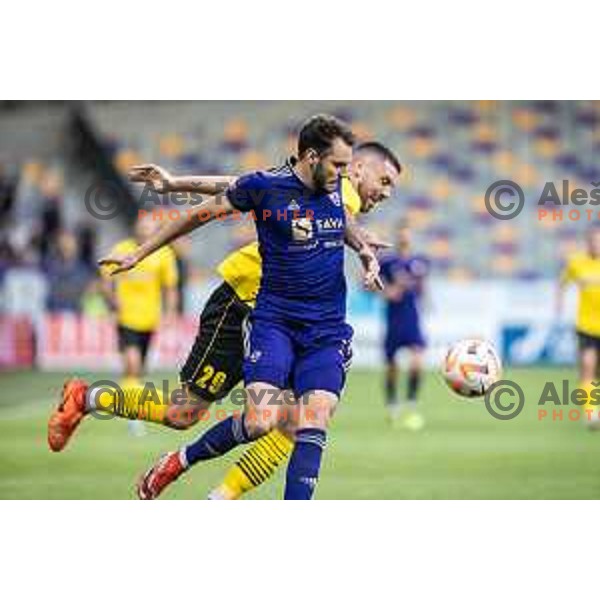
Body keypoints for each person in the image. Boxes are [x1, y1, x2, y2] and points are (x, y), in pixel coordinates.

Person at [46, 116, 394, 500]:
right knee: (185, 413)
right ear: (355, 166)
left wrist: (361, 244)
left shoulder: (332, 186)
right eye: (385, 181)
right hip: (245, 305)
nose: (387, 193)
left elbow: (256, 187)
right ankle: (88, 398)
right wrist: (145, 248)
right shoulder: (332, 183)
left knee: (296, 421)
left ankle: (219, 497)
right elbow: (247, 190)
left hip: (310, 322)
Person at [98, 216, 179, 435]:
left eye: (149, 228)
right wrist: (111, 299)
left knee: (139, 369)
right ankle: (132, 416)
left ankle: (130, 402)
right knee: (132, 363)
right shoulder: (122, 248)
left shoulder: (163, 253)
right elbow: (105, 278)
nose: (145, 231)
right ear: (136, 228)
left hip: (150, 319)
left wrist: (171, 313)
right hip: (126, 318)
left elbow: (170, 287)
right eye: (142, 227)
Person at [379, 222, 428, 429]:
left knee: (417, 361)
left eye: (407, 235)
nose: (404, 239)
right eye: (401, 235)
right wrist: (385, 291)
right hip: (393, 319)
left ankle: (411, 402)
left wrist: (418, 288)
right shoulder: (387, 262)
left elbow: (422, 289)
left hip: (412, 318)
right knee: (392, 367)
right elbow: (370, 282)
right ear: (397, 237)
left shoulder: (419, 262)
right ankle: (392, 404)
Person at [557, 227, 600, 428]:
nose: (597, 245)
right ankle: (591, 413)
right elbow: (562, 282)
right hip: (586, 325)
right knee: (588, 366)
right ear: (588, 242)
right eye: (594, 241)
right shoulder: (577, 262)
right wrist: (559, 304)